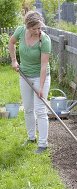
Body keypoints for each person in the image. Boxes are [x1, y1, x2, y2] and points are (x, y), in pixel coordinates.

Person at [9, 10, 51, 154]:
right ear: (28, 26)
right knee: (28, 108)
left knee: (40, 110)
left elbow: (44, 66)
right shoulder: (20, 31)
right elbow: (11, 42)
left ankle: (43, 144)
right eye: (34, 28)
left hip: (41, 77)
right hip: (24, 76)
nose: (38, 31)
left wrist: (40, 87)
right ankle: (31, 137)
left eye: (40, 27)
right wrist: (14, 60)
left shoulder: (44, 40)